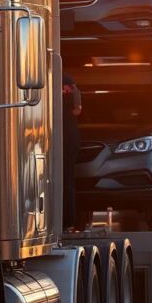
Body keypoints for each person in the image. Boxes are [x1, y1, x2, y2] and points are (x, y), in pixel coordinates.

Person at [62, 72, 82, 231]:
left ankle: (67, 221)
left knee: (65, 181)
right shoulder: (68, 80)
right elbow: (77, 108)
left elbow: (77, 108)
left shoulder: (65, 80)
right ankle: (68, 222)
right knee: (67, 181)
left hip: (65, 137)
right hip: (68, 136)